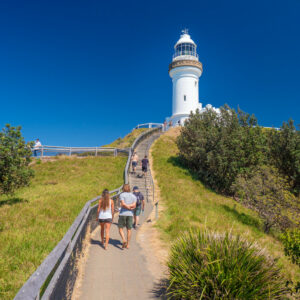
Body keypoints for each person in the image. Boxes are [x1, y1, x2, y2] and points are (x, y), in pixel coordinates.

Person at [118, 184, 136, 249]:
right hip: (130, 214)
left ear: (123, 189)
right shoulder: (133, 196)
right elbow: (134, 205)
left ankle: (124, 239)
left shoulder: (122, 195)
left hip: (123, 213)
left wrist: (127, 206)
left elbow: (122, 204)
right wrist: (130, 207)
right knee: (129, 229)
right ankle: (128, 244)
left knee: (120, 228)